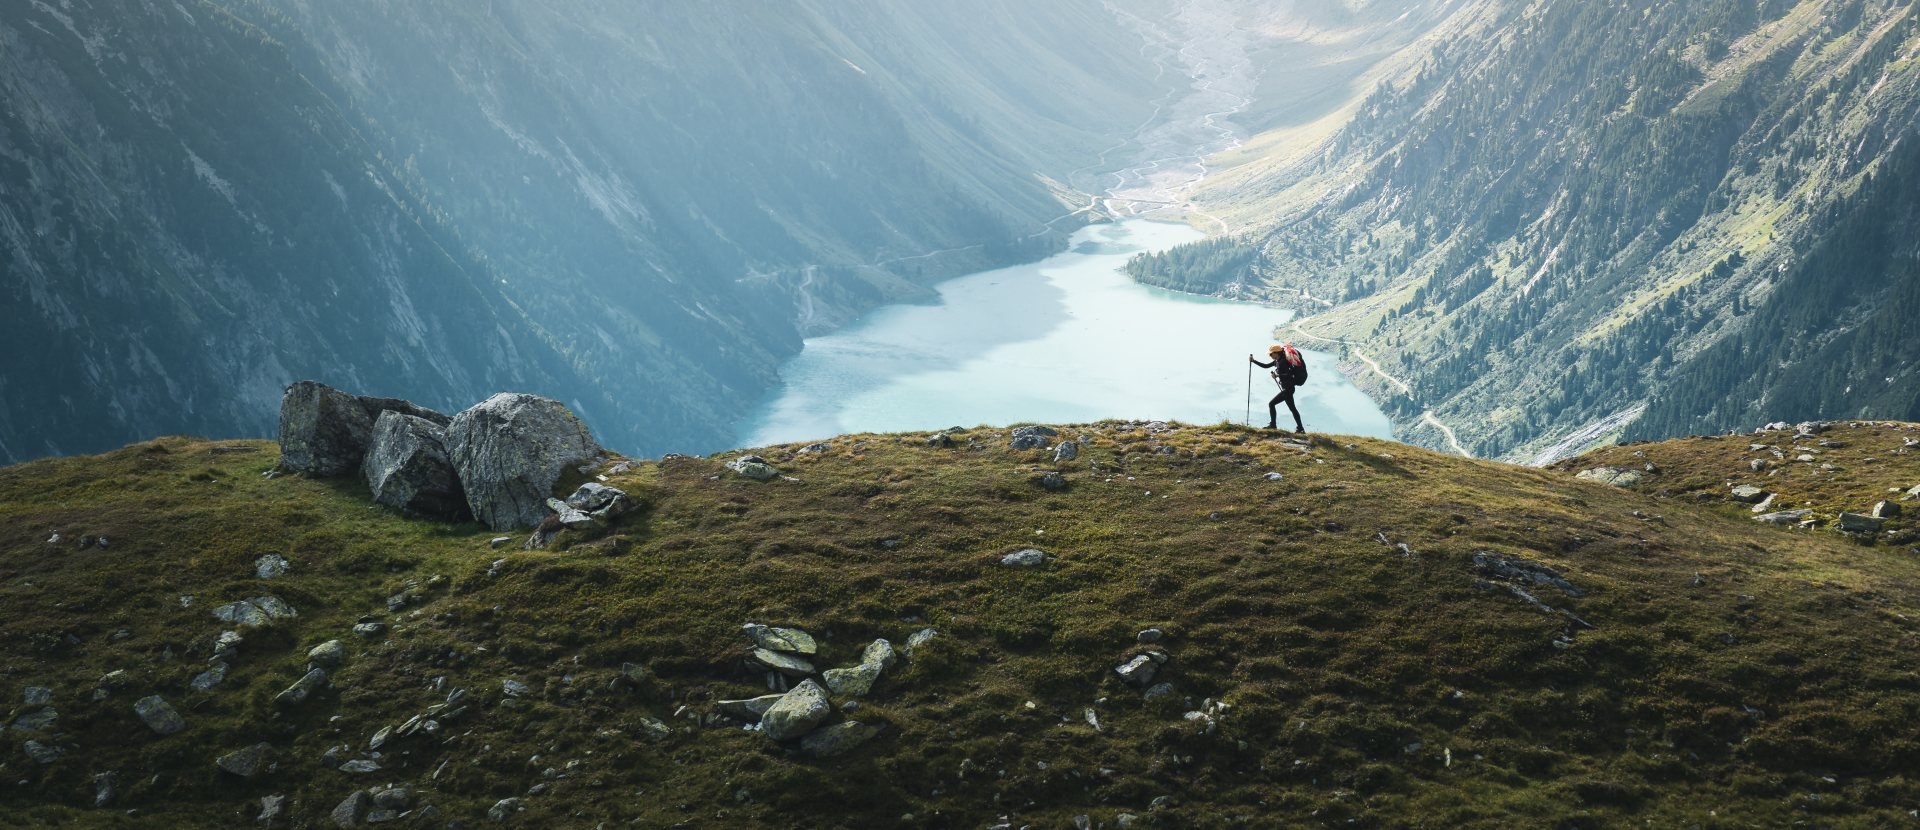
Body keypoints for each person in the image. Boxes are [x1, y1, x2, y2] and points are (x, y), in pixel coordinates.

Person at [1249, 344, 1307, 433]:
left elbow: (1288, 374)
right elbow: (1266, 366)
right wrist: (1253, 361)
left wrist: (1277, 375)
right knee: (1293, 409)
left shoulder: (1283, 362)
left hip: (1288, 389)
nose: (1270, 356)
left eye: (1271, 354)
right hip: (1288, 388)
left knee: (1271, 404)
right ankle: (1300, 429)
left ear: (1276, 353)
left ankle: (1273, 425)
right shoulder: (1277, 361)